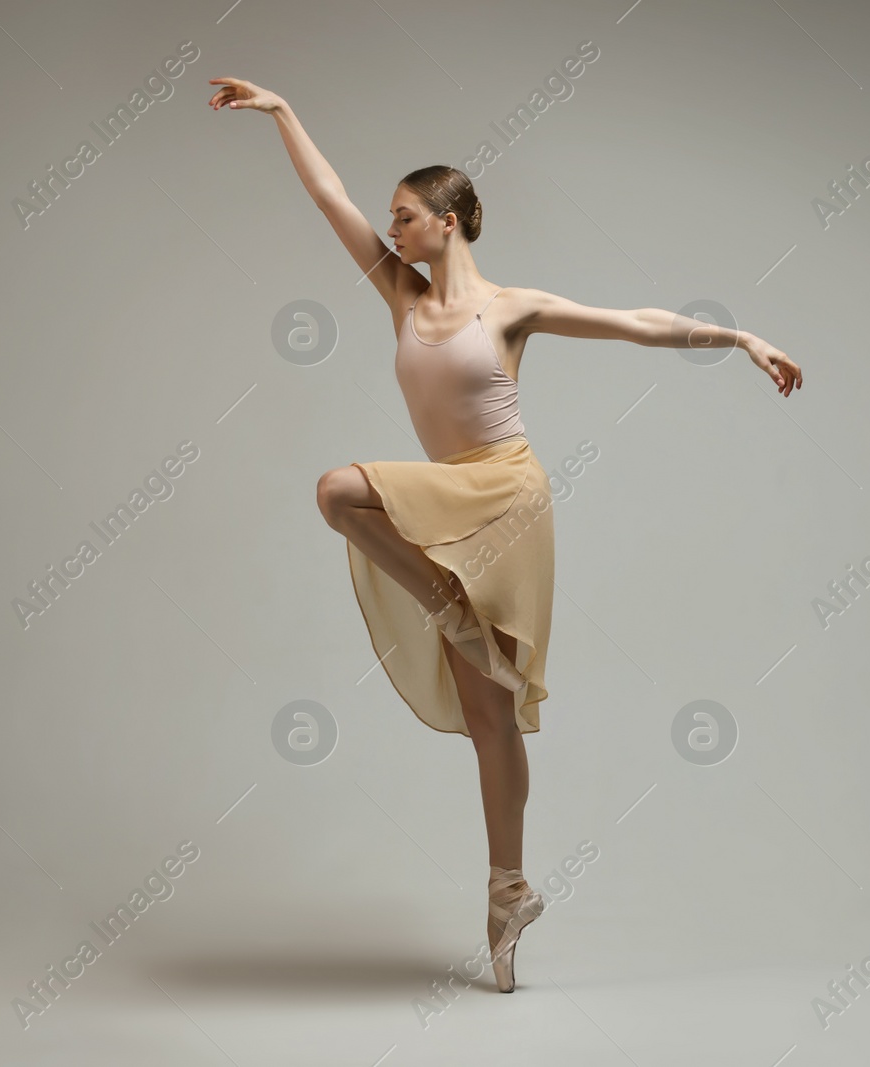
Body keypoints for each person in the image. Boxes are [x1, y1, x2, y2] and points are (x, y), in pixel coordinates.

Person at [208, 76, 802, 993]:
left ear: (449, 221)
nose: (392, 228)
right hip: (449, 492)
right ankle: (504, 850)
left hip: (509, 496)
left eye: (405, 216)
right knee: (339, 495)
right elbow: (326, 196)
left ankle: (503, 884)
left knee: (493, 716)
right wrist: (284, 111)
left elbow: (635, 323)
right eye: (392, 218)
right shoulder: (399, 296)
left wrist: (743, 338)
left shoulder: (511, 306)